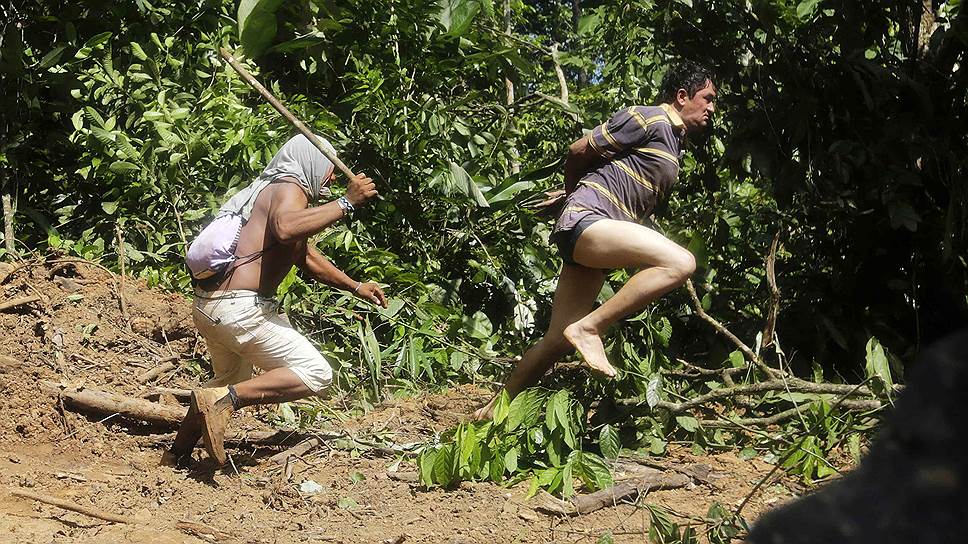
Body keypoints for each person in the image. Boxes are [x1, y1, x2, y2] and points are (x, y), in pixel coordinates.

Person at [474, 63, 716, 420]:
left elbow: (624, 189)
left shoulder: (672, 144)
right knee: (681, 263)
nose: (712, 108)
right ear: (682, 97)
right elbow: (578, 150)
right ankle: (590, 327)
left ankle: (490, 413)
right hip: (589, 222)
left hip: (597, 236)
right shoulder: (649, 119)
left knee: (556, 340)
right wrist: (574, 196)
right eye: (707, 99)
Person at [163, 134, 387, 466]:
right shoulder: (289, 187)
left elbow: (305, 256)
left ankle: (175, 455)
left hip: (211, 308)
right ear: (313, 162)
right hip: (238, 309)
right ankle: (225, 400)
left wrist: (355, 286)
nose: (334, 175)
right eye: (331, 167)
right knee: (316, 372)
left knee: (224, 381)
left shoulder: (271, 192)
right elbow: (285, 228)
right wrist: (346, 202)